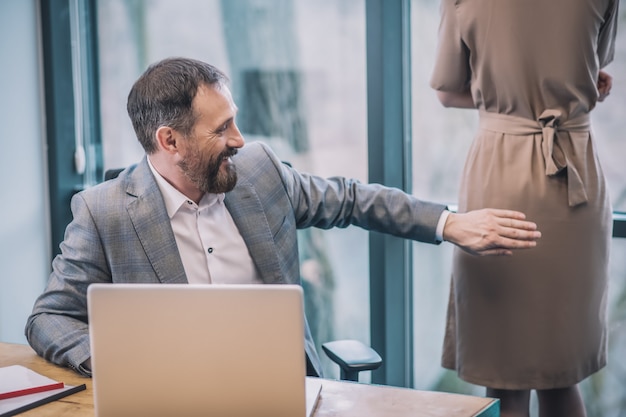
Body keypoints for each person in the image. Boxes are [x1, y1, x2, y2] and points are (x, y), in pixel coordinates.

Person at [25, 57, 540, 378]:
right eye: (221, 129)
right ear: (169, 141)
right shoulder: (105, 211)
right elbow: (47, 319)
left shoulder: (260, 172)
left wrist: (448, 223)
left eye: (236, 121)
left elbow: (351, 199)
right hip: (174, 395)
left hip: (281, 387)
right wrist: (120, 362)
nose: (239, 140)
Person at [430, 1, 618, 416]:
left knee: (505, 377)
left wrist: (505, 98)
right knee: (562, 373)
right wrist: (570, 92)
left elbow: (447, 92)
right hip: (575, 173)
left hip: (501, 171)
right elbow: (591, 66)